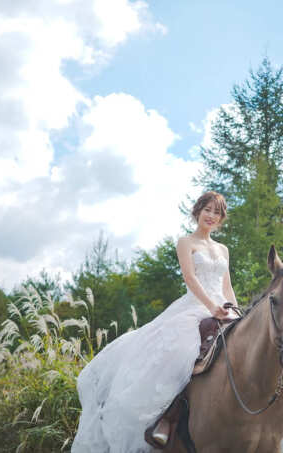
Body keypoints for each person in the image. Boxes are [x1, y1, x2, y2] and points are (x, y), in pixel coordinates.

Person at [72, 191, 238, 453]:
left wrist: (235, 312)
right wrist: (211, 308)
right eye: (207, 209)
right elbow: (191, 279)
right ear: (198, 211)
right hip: (196, 307)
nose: (211, 216)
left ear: (221, 219)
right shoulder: (186, 242)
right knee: (179, 356)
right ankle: (166, 419)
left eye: (217, 212)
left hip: (223, 310)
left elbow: (227, 286)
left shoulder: (223, 249)